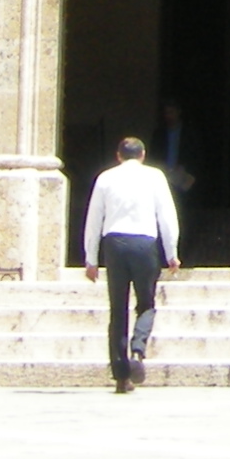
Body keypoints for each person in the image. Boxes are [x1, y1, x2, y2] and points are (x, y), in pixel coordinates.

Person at [81, 135, 183, 392]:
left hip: (114, 243)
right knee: (146, 304)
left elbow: (94, 219)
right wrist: (171, 253)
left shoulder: (105, 178)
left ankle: (120, 376)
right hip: (145, 243)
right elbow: (167, 216)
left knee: (118, 309)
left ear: (118, 155)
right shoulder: (155, 176)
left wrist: (91, 258)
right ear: (142, 155)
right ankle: (138, 351)